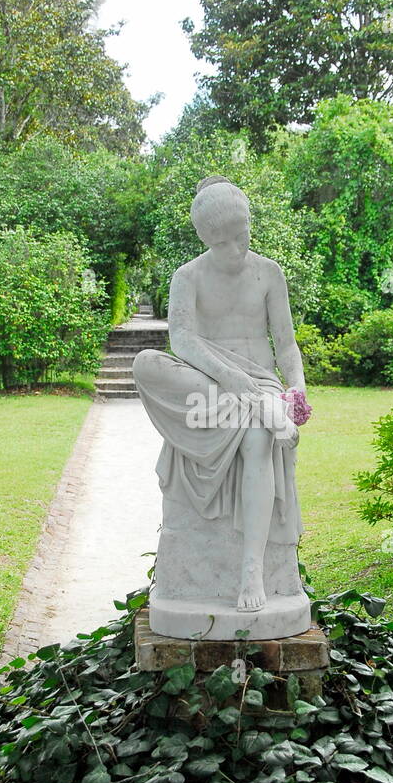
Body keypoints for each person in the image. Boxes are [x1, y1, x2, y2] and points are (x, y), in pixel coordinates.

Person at [133, 176, 310, 613]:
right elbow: (184, 342)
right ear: (209, 240)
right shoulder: (188, 276)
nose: (240, 247)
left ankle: (251, 567)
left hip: (261, 382)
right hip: (212, 383)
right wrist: (230, 379)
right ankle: (263, 409)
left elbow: (285, 344)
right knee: (145, 364)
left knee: (257, 440)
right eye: (229, 241)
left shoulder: (269, 272)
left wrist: (296, 387)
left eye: (245, 233)